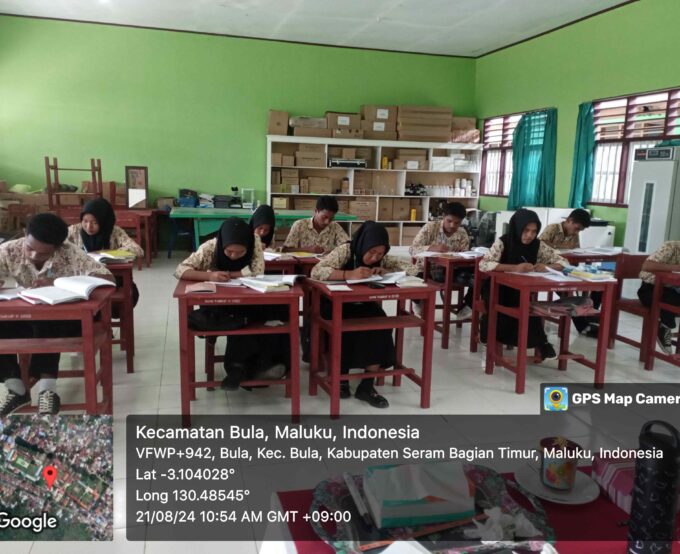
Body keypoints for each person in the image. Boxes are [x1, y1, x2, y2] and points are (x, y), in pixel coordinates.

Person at [0, 213, 114, 415]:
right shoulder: (9, 250)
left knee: (49, 320)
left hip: (62, 319)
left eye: (43, 254)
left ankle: (47, 390)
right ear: (25, 234)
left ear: (58, 248)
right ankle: (15, 386)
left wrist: (59, 283)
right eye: (30, 248)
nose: (34, 256)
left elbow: (107, 277)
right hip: (27, 315)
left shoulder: (68, 252)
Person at [311, 221, 418, 408]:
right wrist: (348, 274)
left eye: (380, 253)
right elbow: (317, 271)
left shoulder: (381, 258)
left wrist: (387, 270)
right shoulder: (346, 251)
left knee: (381, 326)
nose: (374, 257)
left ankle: (367, 385)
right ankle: (341, 379)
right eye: (371, 252)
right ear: (363, 245)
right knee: (345, 329)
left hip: (364, 304)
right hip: (337, 304)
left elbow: (414, 268)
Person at [174, 218, 289, 389]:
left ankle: (259, 365)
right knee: (237, 317)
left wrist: (230, 273)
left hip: (248, 300)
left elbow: (257, 272)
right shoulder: (211, 247)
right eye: (229, 252)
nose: (234, 256)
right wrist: (210, 276)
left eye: (240, 253)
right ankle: (239, 368)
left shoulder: (254, 241)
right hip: (219, 303)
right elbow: (180, 270)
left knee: (274, 311)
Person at [479, 209, 568, 361]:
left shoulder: (538, 245)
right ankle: (540, 342)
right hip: (498, 288)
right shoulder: (503, 242)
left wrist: (547, 267)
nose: (530, 235)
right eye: (526, 230)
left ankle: (539, 342)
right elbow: (484, 264)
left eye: (534, 231)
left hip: (521, 289)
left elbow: (563, 261)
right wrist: (513, 268)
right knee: (515, 305)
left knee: (526, 306)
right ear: (517, 228)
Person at [67, 197, 143, 311]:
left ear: (104, 221)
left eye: (95, 222)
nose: (89, 227)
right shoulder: (74, 230)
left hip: (110, 279)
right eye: (85, 221)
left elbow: (137, 250)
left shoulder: (114, 231)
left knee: (125, 297)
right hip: (81, 281)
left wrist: (105, 254)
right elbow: (58, 246)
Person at [539, 208, 598, 337]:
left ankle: (589, 315)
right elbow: (541, 245)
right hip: (549, 269)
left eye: (580, 230)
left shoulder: (574, 234)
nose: (577, 232)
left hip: (565, 268)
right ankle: (583, 325)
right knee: (567, 292)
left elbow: (575, 251)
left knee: (594, 285)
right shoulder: (553, 228)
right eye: (577, 228)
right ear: (569, 221)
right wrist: (563, 248)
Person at [408, 201, 471, 319]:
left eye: (457, 223)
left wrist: (462, 255)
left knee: (478, 277)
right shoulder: (430, 227)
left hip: (451, 271)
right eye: (449, 221)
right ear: (443, 217)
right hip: (426, 269)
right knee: (411, 280)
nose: (452, 225)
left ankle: (468, 305)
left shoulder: (462, 233)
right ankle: (417, 301)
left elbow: (465, 255)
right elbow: (412, 250)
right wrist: (432, 248)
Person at [638, 241, 680, 355]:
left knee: (673, 298)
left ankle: (665, 325)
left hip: (674, 291)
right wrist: (676, 268)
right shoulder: (671, 247)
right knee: (671, 299)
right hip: (650, 289)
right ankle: (665, 327)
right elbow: (646, 265)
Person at [282, 195, 349, 254]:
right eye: (324, 217)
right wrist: (307, 249)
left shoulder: (335, 227)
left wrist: (333, 252)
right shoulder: (299, 225)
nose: (327, 222)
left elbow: (348, 246)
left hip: (327, 266)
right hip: (302, 266)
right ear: (316, 211)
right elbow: (285, 250)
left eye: (331, 218)